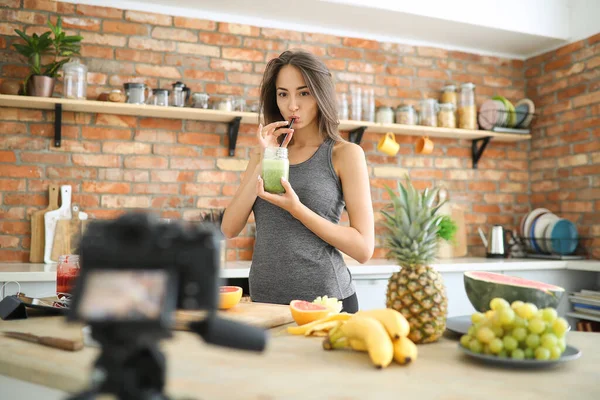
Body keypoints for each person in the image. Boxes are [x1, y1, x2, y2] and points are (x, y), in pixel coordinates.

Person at [220, 50, 374, 313]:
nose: (292, 105)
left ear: (320, 94)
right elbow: (229, 228)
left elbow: (363, 248)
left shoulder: (344, 154)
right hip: (264, 302)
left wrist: (297, 209)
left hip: (326, 302)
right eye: (283, 94)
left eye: (304, 93)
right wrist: (264, 158)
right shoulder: (262, 154)